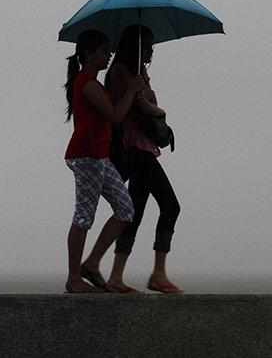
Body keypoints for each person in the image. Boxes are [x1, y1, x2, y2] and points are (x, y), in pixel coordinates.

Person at [63, 29, 146, 293]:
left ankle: (92, 263)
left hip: (99, 155)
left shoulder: (93, 83)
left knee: (125, 209)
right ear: (88, 55)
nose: (108, 55)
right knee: (84, 215)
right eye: (103, 51)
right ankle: (74, 277)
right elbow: (115, 116)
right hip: (86, 154)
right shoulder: (86, 82)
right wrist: (132, 90)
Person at [105, 25, 184, 294]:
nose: (151, 51)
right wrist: (154, 104)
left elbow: (149, 102)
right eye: (148, 46)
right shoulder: (121, 72)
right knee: (171, 206)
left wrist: (149, 96)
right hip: (135, 148)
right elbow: (145, 107)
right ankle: (159, 274)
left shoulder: (140, 74)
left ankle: (116, 276)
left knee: (133, 214)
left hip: (147, 147)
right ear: (134, 47)